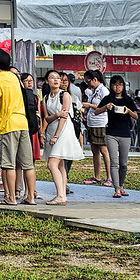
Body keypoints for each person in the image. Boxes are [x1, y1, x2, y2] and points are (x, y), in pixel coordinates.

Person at [0, 49, 35, 206]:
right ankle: (30, 197)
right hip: (22, 122)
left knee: (9, 164)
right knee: (28, 164)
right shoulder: (15, 77)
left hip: (7, 124)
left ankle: (11, 197)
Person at [41, 71, 84, 205]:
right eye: (52, 78)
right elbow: (47, 118)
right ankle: (62, 194)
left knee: (51, 163)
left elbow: (64, 118)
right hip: (52, 129)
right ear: (47, 81)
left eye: (58, 78)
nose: (56, 80)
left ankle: (60, 195)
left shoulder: (65, 95)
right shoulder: (46, 97)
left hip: (64, 131)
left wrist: (56, 135)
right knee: (60, 165)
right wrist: (56, 115)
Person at [93, 74, 138, 198]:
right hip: (111, 133)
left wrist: (128, 111)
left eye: (120, 85)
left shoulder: (128, 99)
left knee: (123, 164)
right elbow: (96, 111)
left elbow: (137, 116)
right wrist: (105, 107)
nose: (117, 87)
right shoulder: (108, 98)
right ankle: (117, 189)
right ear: (111, 86)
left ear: (123, 86)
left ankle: (122, 185)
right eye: (114, 85)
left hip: (125, 133)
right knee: (114, 162)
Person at [81, 69, 112, 187]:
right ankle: (97, 176)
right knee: (94, 150)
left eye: (88, 82)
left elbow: (105, 106)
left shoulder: (104, 91)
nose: (88, 85)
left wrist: (89, 105)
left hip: (101, 123)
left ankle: (109, 177)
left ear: (95, 79)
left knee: (104, 150)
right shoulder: (93, 91)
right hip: (91, 122)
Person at [17, 73, 43, 202]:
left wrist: (41, 133)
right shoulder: (20, 96)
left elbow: (38, 115)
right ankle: (23, 191)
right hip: (24, 130)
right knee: (23, 163)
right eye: (26, 81)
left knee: (31, 163)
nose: (29, 83)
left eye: (31, 80)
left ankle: (31, 191)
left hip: (33, 131)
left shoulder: (35, 97)